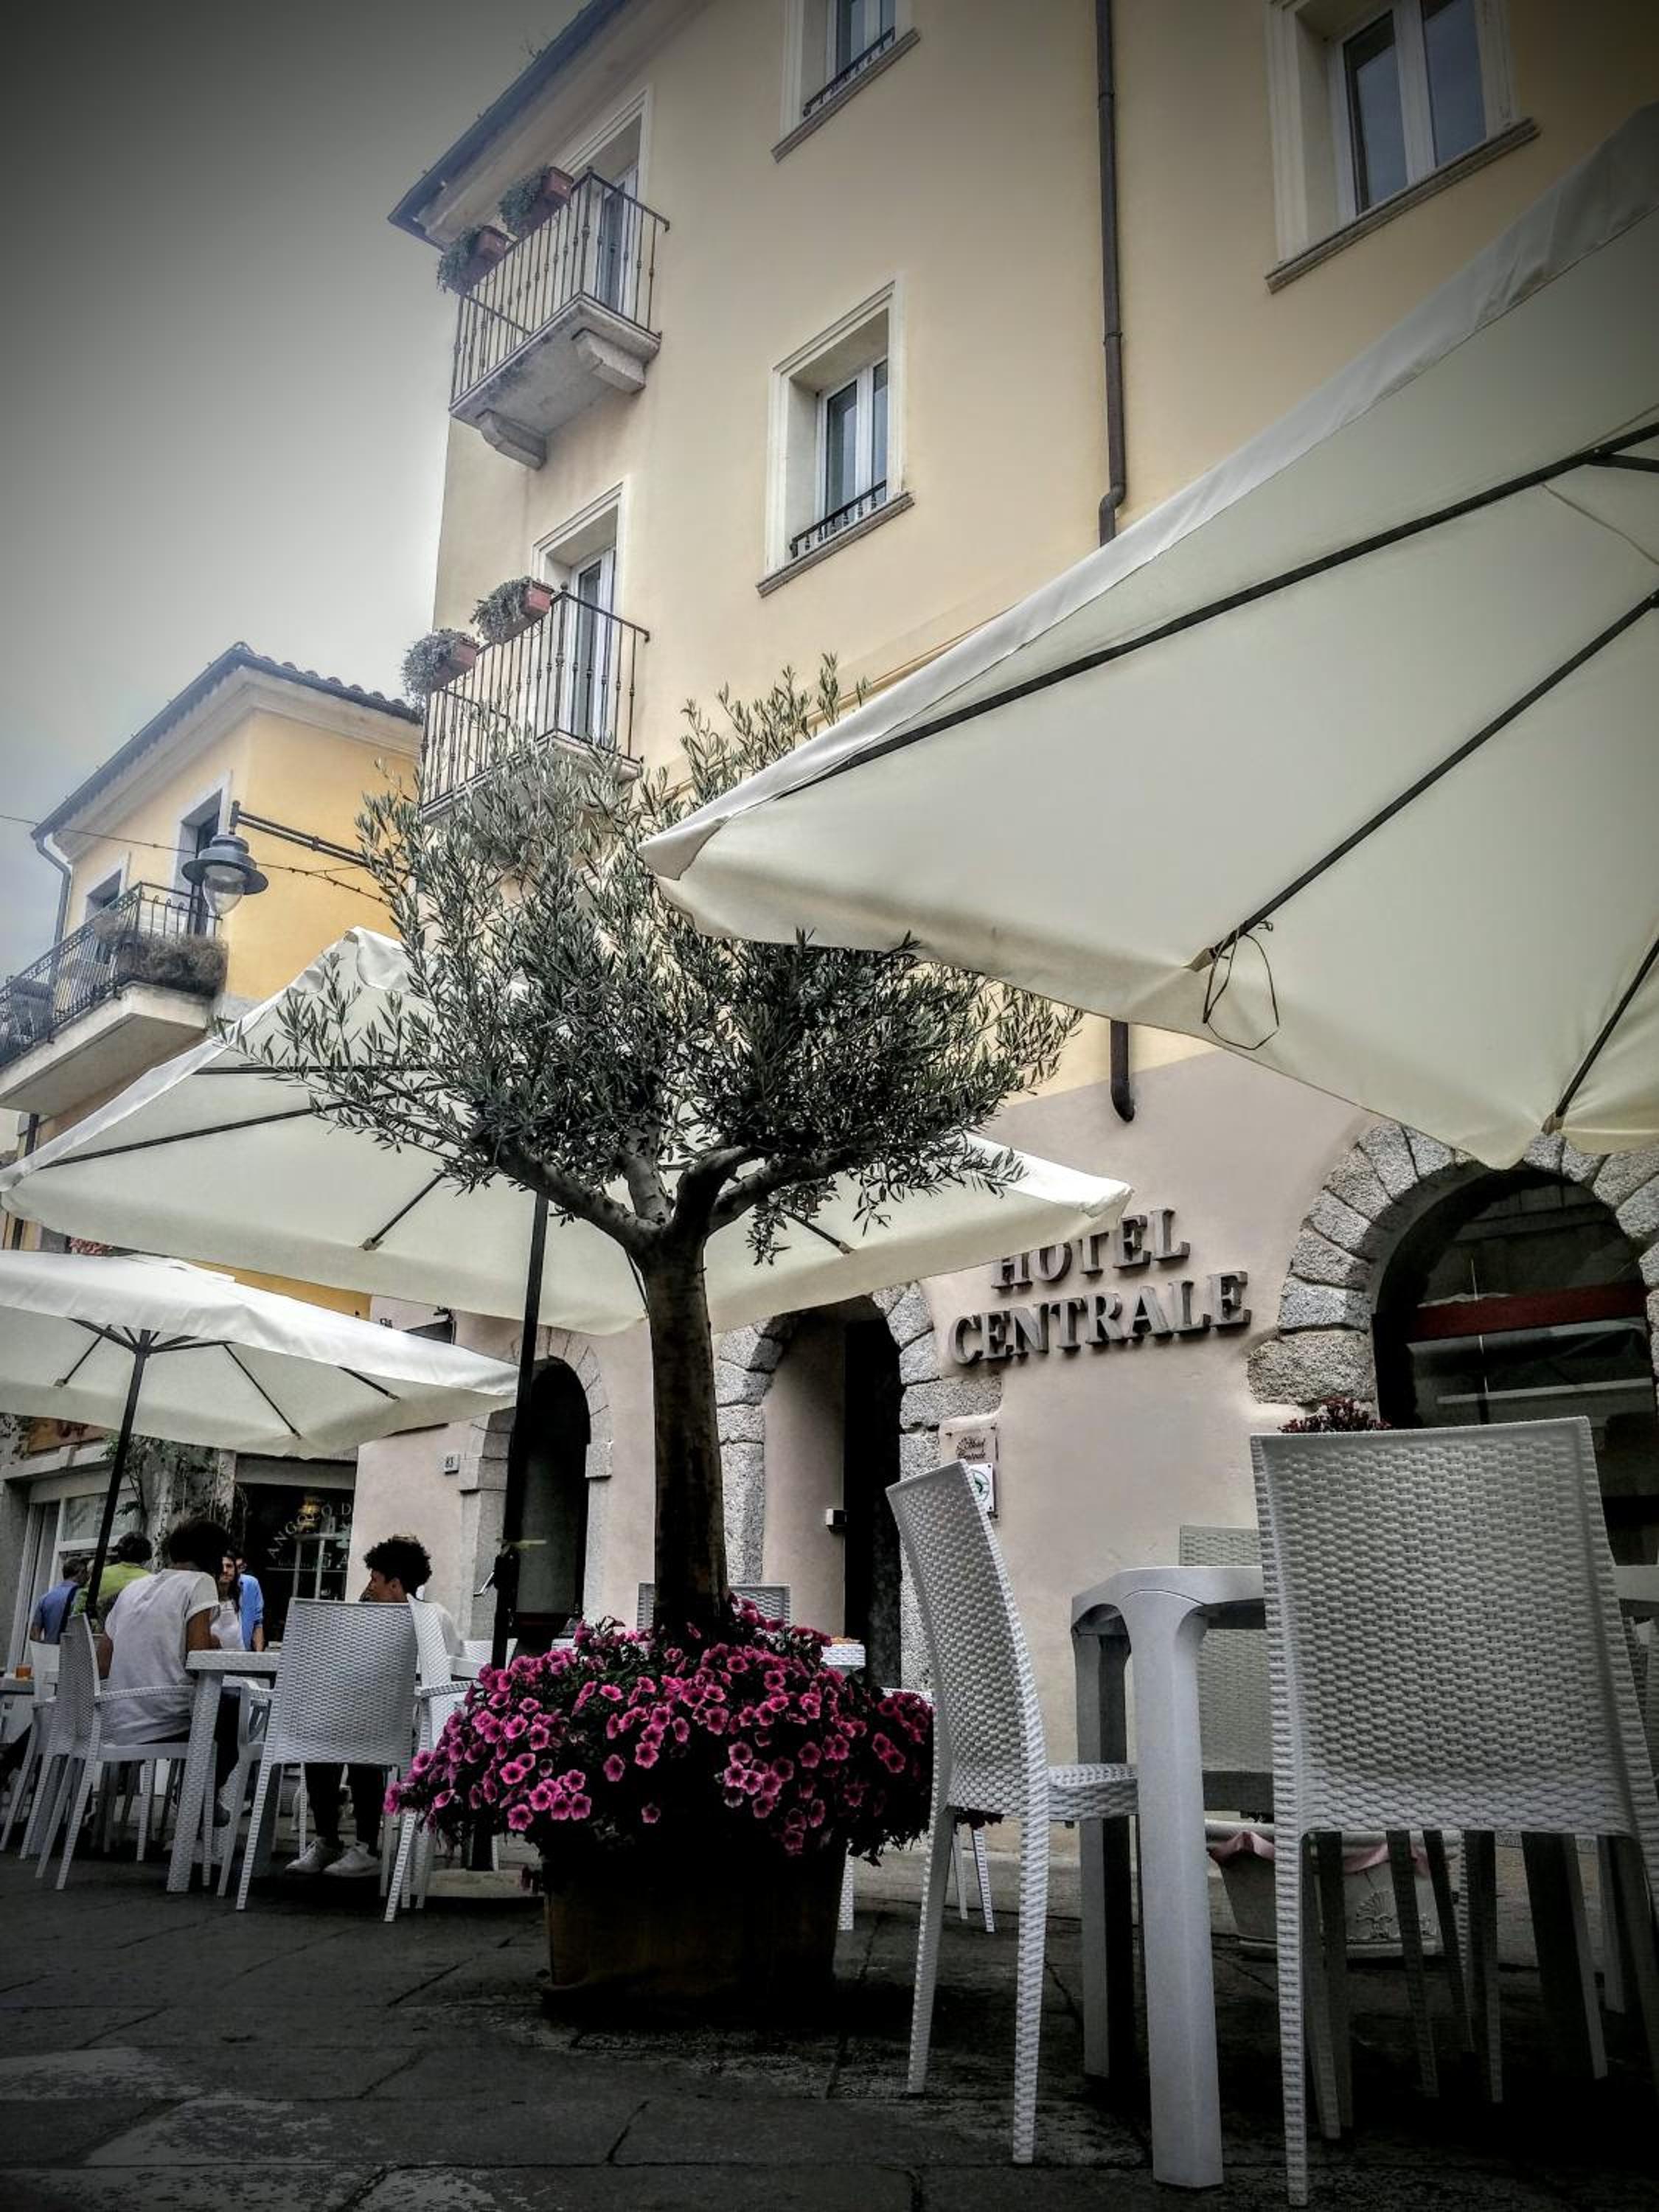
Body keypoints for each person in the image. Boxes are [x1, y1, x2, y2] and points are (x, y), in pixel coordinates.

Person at [288, 1532, 459, 1879]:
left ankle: (367, 1846)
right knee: (318, 1739)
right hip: (370, 1713)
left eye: (375, 1580)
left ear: (395, 1585)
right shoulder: (370, 1618)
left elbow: (445, 1672)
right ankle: (328, 1839)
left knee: (361, 1739)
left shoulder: (431, 1617)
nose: (370, 1588)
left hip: (418, 1722)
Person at [99, 1517, 241, 1799]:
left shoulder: (134, 1588)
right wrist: (212, 1641)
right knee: (237, 1713)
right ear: (213, 1557)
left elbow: (102, 1663)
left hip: (115, 1717)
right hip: (165, 1717)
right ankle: (197, 1798)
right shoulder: (200, 1582)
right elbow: (198, 1660)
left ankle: (198, 1800)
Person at [83, 1532, 153, 1626]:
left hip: (99, 1631)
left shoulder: (101, 1574)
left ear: (119, 1554)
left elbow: (82, 1605)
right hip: (131, 1630)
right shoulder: (150, 1580)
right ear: (146, 1557)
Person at [29, 1557, 88, 1643]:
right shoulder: (82, 1596)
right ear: (80, 1573)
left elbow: (34, 1634)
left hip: (49, 1648)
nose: (87, 1577)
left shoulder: (46, 1598)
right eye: (86, 1573)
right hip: (71, 1650)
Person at [234, 1554, 265, 1653]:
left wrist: (258, 1656)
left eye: (238, 1567)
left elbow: (258, 1623)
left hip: (244, 1652)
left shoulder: (251, 1583)